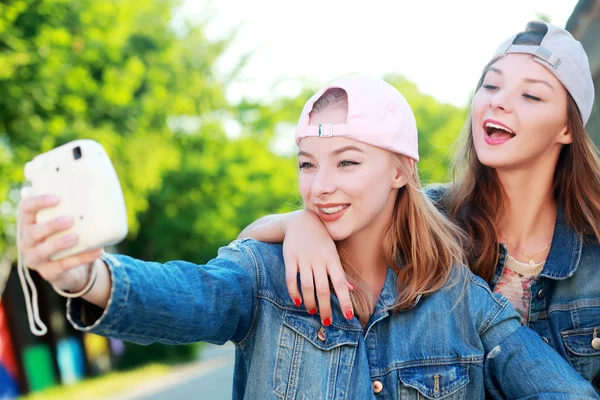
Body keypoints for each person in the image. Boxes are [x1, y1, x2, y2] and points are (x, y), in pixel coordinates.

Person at [18, 74, 598, 398]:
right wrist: (88, 277)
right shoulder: (265, 275)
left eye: (347, 162)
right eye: (306, 164)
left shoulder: (460, 299)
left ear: (400, 171)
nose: (319, 187)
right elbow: (191, 295)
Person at [238, 21, 600, 392]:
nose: (499, 100)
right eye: (490, 85)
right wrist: (298, 224)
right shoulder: (426, 220)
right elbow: (249, 262)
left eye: (531, 96)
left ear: (568, 129)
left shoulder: (594, 254)